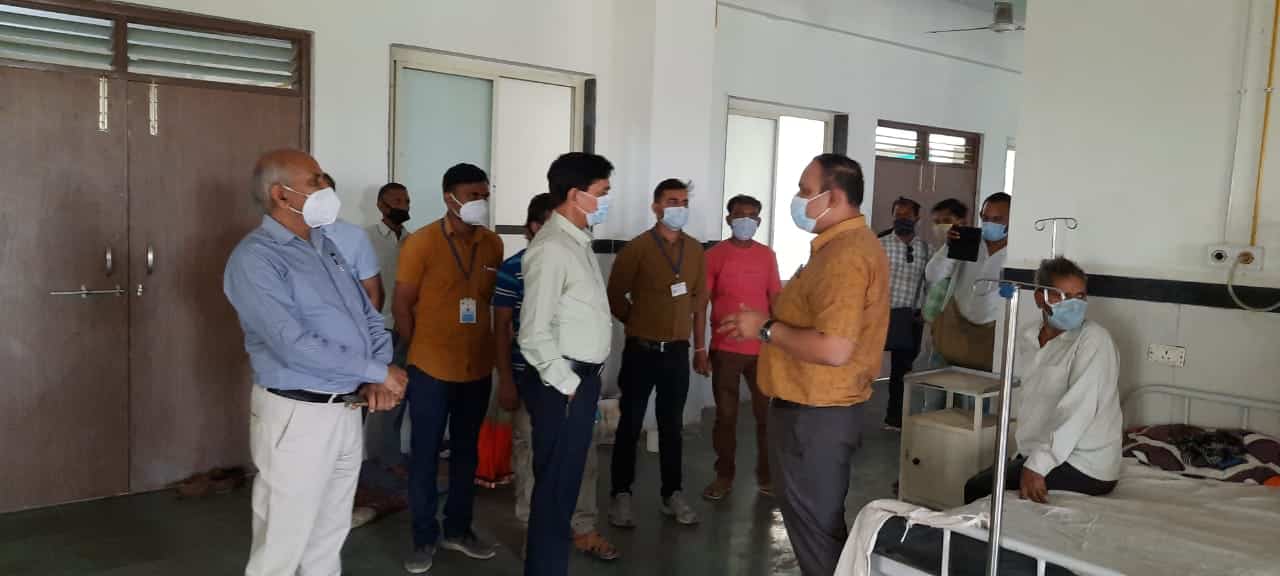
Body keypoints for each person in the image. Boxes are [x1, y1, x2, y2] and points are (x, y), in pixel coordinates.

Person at [224, 149, 407, 576]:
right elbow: (293, 345)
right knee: (283, 540)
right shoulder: (256, 259)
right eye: (315, 181)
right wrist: (378, 372)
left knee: (330, 533)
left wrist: (375, 375)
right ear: (280, 195)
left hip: (345, 408)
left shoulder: (326, 246)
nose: (326, 187)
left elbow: (367, 316)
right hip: (297, 415)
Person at [718, 153, 889, 576]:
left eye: (805, 190)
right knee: (817, 527)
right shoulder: (836, 248)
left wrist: (765, 328)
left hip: (816, 416)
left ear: (834, 197)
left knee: (817, 534)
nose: (798, 198)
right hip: (813, 410)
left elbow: (834, 348)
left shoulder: (845, 255)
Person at [496, 191, 619, 563]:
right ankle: (534, 535)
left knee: (579, 463)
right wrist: (510, 380)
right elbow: (510, 329)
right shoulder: (526, 262)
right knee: (536, 464)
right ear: (537, 226)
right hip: (541, 379)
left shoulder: (578, 251)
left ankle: (581, 529)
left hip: (574, 382)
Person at [394, 163, 503, 573]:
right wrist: (415, 352)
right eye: (473, 195)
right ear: (449, 197)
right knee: (424, 455)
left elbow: (489, 301)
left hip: (476, 366)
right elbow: (401, 304)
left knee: (466, 454)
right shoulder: (421, 243)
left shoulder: (492, 244)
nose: (481, 202)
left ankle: (458, 529)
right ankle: (424, 538)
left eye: (485, 195)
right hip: (430, 368)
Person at [963, 257, 1122, 504]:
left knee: (977, 489)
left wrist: (1037, 466)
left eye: (1080, 296)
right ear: (1040, 298)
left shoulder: (1094, 340)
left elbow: (1078, 411)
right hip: (1041, 451)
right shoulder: (1028, 336)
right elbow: (1033, 402)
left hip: (1085, 463)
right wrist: (1026, 457)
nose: (1073, 304)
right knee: (984, 481)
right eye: (1062, 296)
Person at [607, 178, 708, 528]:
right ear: (656, 207)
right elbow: (615, 296)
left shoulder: (695, 250)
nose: (679, 208)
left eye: (684, 202)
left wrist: (700, 347)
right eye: (672, 201)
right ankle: (621, 494)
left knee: (671, 426)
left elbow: (699, 301)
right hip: (642, 350)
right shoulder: (637, 249)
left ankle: (672, 493)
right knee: (630, 424)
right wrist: (638, 321)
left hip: (677, 352)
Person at [700, 194, 781, 502]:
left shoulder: (767, 256)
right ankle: (724, 475)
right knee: (726, 417)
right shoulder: (714, 256)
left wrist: (781, 340)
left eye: (751, 216)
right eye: (739, 215)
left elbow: (776, 299)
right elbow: (701, 304)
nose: (745, 221)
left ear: (759, 221)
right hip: (725, 349)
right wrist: (700, 348)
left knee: (767, 417)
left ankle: (767, 476)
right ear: (728, 219)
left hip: (763, 350)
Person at [925, 193, 1011, 371]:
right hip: (956, 326)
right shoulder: (968, 240)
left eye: (997, 219)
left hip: (993, 334)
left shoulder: (1019, 252)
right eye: (985, 218)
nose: (989, 223)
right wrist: (949, 246)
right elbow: (933, 275)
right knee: (942, 384)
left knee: (981, 386)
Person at [365, 182, 412, 476]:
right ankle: (352, 458)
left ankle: (390, 458)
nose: (403, 206)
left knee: (396, 395)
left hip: (404, 326)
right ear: (381, 205)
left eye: (406, 201)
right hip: (374, 328)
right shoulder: (365, 238)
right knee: (361, 393)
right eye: (397, 201)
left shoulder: (413, 241)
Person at [880, 197, 930, 431]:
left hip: (910, 318)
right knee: (864, 364)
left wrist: (926, 311)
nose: (902, 219)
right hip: (879, 316)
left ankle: (895, 418)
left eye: (907, 215)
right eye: (898, 215)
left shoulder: (926, 249)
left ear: (917, 218)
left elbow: (931, 284)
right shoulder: (878, 244)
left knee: (902, 371)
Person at [316, 173, 383, 310]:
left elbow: (374, 293)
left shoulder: (354, 236)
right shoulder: (285, 235)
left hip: (347, 320)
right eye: (315, 196)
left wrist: (368, 324)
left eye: (326, 196)